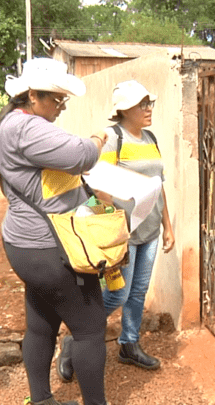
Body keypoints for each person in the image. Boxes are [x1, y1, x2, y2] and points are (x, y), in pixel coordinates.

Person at [0, 58, 109, 405]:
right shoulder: (26, 127)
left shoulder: (14, 124)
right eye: (56, 100)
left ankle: (41, 400)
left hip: (28, 244)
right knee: (90, 329)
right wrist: (98, 138)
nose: (60, 107)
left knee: (41, 324)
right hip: (49, 246)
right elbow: (81, 154)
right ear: (33, 96)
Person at [57, 80, 175, 382]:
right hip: (121, 234)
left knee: (137, 292)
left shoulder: (150, 137)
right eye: (142, 104)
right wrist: (112, 217)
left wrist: (168, 225)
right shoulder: (113, 138)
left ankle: (129, 344)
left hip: (149, 230)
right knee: (118, 294)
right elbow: (99, 184)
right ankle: (75, 338)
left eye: (150, 103)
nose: (149, 109)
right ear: (124, 110)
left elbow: (157, 185)